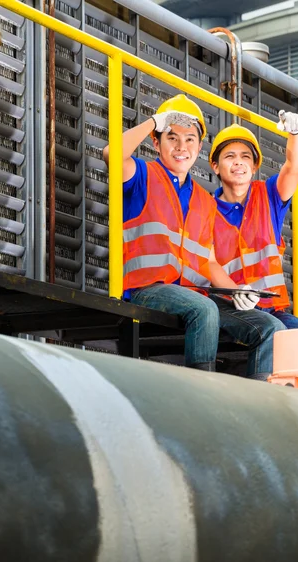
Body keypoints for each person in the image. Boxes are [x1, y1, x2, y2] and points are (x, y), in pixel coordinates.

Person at [103, 94, 226, 371]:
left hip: (192, 295)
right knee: (206, 310)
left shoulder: (205, 201)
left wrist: (239, 292)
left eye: (190, 139)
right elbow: (112, 153)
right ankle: (203, 392)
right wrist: (153, 122)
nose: (182, 146)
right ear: (156, 142)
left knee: (260, 324)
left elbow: (209, 260)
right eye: (172, 137)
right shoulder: (142, 174)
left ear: (200, 145)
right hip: (147, 290)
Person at [206, 110, 298, 379]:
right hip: (225, 303)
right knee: (274, 332)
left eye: (245, 157)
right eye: (230, 156)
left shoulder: (269, 196)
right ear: (215, 166)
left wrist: (295, 134)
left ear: (254, 166)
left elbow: (293, 167)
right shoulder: (203, 209)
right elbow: (209, 261)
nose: (238, 163)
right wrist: (234, 291)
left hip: (269, 306)